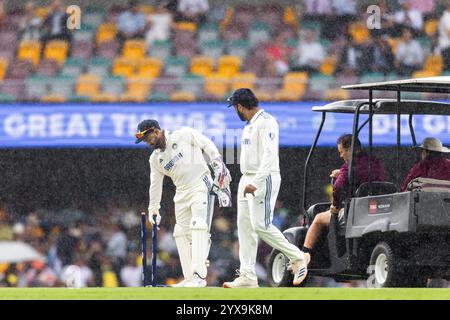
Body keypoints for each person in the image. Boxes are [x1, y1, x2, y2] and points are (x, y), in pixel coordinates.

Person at [223, 88, 308, 288]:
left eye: (235, 107)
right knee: (244, 228)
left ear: (240, 107)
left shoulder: (266, 121)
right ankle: (247, 276)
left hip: (264, 177)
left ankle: (298, 257)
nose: (236, 111)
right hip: (247, 178)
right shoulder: (249, 125)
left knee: (261, 225)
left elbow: (270, 156)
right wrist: (247, 181)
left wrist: (257, 181)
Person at [135, 119, 232, 288]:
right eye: (144, 141)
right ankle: (190, 278)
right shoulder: (155, 159)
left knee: (198, 226)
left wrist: (217, 163)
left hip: (201, 184)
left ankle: (199, 277)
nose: (147, 143)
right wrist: (154, 208)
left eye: (148, 138)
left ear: (156, 131)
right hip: (181, 194)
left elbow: (206, 143)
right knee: (180, 233)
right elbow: (155, 184)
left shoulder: (183, 135)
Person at [301, 134, 387, 263]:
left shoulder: (349, 167)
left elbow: (338, 187)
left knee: (318, 219)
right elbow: (364, 174)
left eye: (341, 152)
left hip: (356, 213)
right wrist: (342, 173)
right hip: (377, 210)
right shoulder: (374, 162)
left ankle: (303, 257)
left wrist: (334, 206)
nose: (341, 156)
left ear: (350, 149)